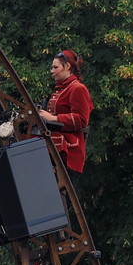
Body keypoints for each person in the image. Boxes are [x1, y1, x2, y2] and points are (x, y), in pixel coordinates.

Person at [38, 50, 93, 180]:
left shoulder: (77, 88)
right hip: (55, 143)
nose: (52, 71)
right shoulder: (62, 88)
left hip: (69, 149)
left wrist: (54, 118)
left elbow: (81, 120)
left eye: (55, 67)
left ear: (67, 67)